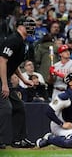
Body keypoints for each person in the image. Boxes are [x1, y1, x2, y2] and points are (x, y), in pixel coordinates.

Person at [0, 18, 35, 149]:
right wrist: (4, 84)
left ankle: (19, 139)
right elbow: (2, 61)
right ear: (20, 26)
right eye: (28, 25)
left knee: (19, 106)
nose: (31, 27)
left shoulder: (22, 42)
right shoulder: (13, 39)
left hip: (5, 78)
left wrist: (23, 79)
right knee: (5, 108)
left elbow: (13, 64)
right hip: (1, 79)